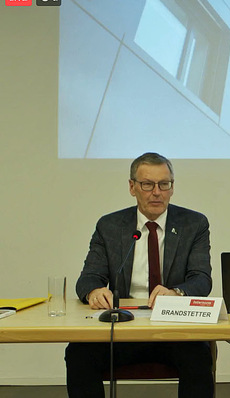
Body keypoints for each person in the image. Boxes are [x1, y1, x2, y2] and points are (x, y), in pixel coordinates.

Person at [65, 152, 214, 398]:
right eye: (147, 184)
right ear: (132, 187)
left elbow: (201, 279)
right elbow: (88, 278)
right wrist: (94, 291)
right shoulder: (110, 226)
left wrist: (175, 292)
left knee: (198, 354)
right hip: (124, 328)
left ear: (172, 188)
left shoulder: (194, 224)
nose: (157, 192)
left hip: (172, 329)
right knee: (79, 353)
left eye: (164, 184)